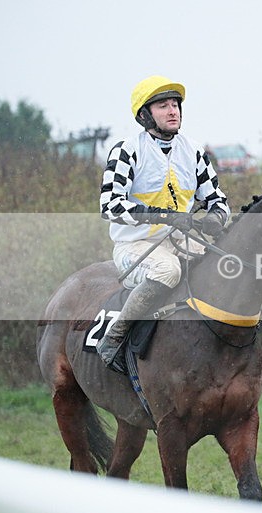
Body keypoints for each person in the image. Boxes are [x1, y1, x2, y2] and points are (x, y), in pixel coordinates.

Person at [97, 75, 230, 371]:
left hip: (181, 242)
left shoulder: (194, 151)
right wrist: (165, 216)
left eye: (175, 105)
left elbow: (218, 200)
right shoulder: (126, 150)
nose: (173, 111)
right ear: (145, 115)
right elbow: (110, 205)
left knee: (226, 266)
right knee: (168, 270)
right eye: (163, 106)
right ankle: (115, 336)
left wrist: (215, 219)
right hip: (136, 246)